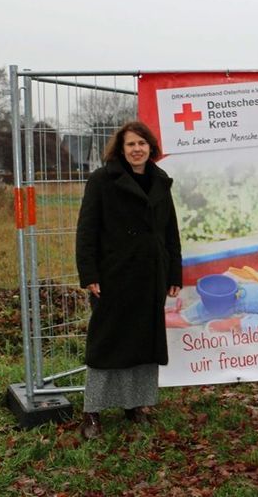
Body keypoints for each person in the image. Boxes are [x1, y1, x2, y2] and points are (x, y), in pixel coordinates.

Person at [75, 121, 182, 439]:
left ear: (151, 147)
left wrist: (173, 271)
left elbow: (169, 231)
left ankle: (135, 405)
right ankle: (91, 412)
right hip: (114, 275)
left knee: (143, 342)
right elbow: (87, 229)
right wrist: (90, 274)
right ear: (121, 150)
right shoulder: (103, 180)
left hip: (151, 275)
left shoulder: (160, 181)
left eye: (142, 143)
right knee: (107, 342)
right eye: (131, 144)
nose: (137, 149)